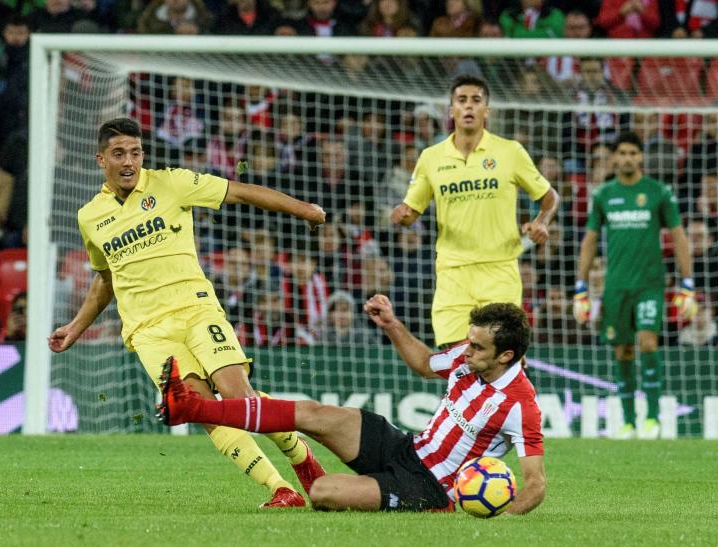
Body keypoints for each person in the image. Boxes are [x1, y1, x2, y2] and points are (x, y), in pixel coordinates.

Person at [48, 118, 327, 509]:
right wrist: (75, 328)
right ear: (101, 160)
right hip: (148, 330)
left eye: (135, 152)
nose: (129, 161)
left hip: (196, 310)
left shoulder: (172, 182)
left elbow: (242, 192)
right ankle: (280, 489)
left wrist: (305, 210)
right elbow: (105, 279)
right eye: (118, 154)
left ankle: (303, 459)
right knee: (204, 409)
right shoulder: (90, 217)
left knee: (237, 395)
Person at [157, 294, 546, 514]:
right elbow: (426, 364)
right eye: (470, 341)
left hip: (428, 488)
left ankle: (425, 507)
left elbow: (536, 485)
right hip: (407, 446)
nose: (468, 351)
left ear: (506, 356)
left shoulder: (519, 406)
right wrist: (392, 324)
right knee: (311, 412)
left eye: (478, 347)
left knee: (325, 492)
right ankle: (189, 408)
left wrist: (500, 522)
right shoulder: (469, 357)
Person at [391, 74, 560, 348]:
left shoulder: (509, 152)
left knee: (501, 355)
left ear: (486, 110)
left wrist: (541, 222)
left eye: (476, 100)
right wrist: (401, 215)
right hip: (452, 272)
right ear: (451, 110)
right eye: (461, 100)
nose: (468, 106)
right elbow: (412, 211)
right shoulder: (431, 158)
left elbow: (550, 196)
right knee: (458, 357)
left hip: (499, 269)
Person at [573, 132, 695, 440]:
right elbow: (589, 242)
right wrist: (580, 288)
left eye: (633, 153)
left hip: (650, 284)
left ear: (641, 157)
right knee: (623, 351)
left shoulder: (658, 192)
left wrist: (688, 284)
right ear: (614, 158)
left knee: (648, 342)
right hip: (615, 287)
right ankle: (628, 422)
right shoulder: (603, 195)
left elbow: (679, 236)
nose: (627, 158)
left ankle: (652, 419)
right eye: (622, 153)